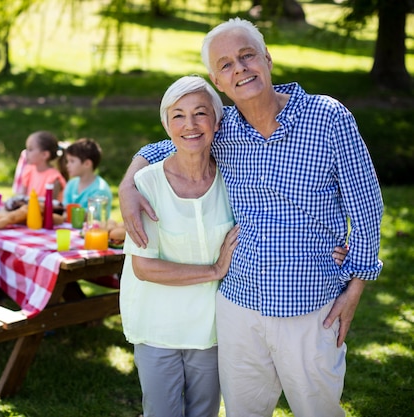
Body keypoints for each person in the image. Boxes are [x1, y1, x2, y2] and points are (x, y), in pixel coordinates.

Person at [118, 18, 383, 417]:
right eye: (225, 65)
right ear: (218, 84)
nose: (239, 68)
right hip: (238, 304)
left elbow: (368, 207)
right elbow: (168, 143)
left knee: (318, 411)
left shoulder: (328, 118)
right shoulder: (223, 131)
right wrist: (126, 187)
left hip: (309, 305)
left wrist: (356, 287)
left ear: (267, 60)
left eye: (246, 56)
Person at [120, 74, 239, 417]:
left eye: (201, 113)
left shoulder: (232, 179)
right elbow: (144, 267)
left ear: (217, 122)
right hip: (157, 327)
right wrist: (215, 270)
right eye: (178, 115)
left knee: (204, 412)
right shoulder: (146, 183)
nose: (190, 124)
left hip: (212, 328)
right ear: (166, 125)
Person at [63, 138, 113, 213]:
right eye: (68, 161)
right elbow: (65, 208)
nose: (67, 165)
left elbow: (94, 216)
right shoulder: (71, 184)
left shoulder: (100, 189)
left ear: (87, 164)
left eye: (72, 161)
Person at [19, 130, 67, 201]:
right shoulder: (28, 170)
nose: (26, 152)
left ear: (45, 155)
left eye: (30, 149)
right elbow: (22, 199)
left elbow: (50, 207)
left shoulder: (54, 179)